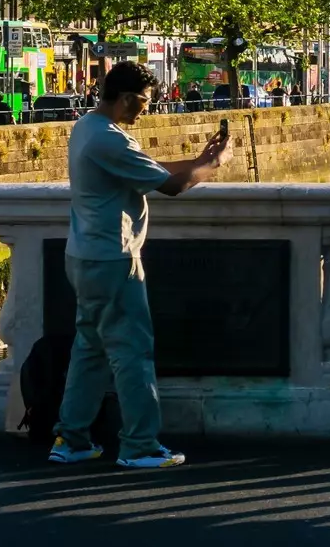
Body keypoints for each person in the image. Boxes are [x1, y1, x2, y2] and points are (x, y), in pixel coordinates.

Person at [49, 61, 231, 470]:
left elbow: (148, 170)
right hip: (114, 258)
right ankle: (140, 445)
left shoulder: (86, 129)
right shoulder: (110, 140)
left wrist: (197, 159)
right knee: (132, 353)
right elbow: (171, 186)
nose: (145, 111)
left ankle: (71, 438)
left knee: (90, 350)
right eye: (144, 103)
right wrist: (214, 165)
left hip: (83, 255)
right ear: (127, 98)